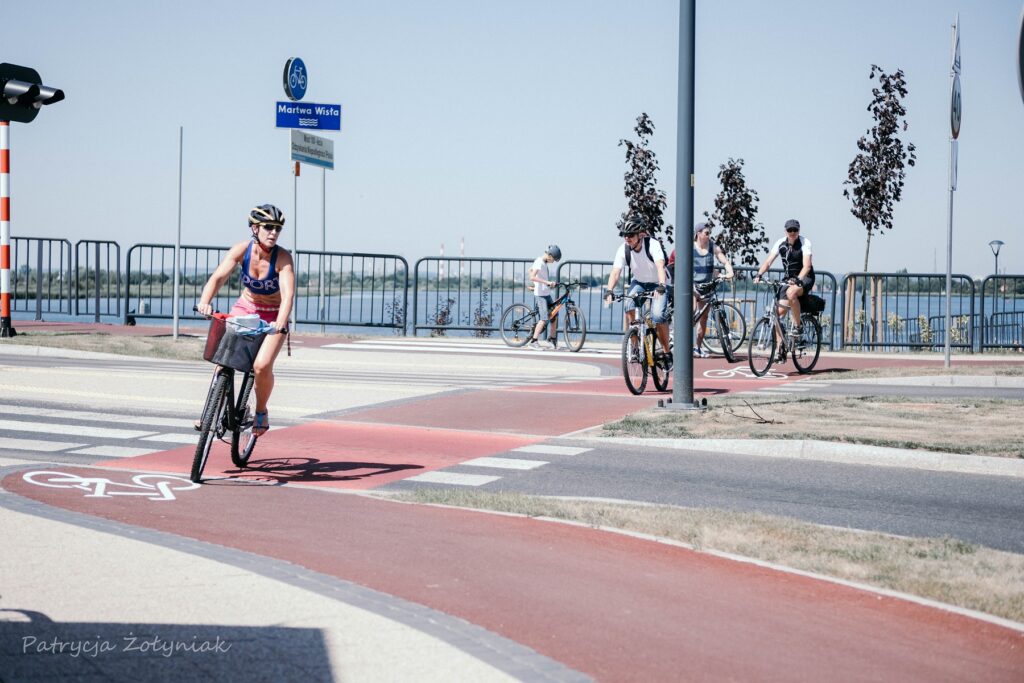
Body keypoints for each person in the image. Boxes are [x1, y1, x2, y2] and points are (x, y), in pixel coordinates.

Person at [196, 204, 295, 436]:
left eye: (277, 229)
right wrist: (205, 301)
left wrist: (280, 323)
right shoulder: (242, 250)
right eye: (268, 227)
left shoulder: (283, 258)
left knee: (261, 366)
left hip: (273, 314)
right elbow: (218, 277)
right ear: (254, 228)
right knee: (223, 359)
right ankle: (210, 412)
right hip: (246, 307)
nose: (273, 232)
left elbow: (288, 295)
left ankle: (261, 411)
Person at [603, 215, 672, 361]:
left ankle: (666, 352)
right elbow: (616, 272)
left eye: (630, 235)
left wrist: (661, 285)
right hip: (639, 282)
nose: (627, 238)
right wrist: (609, 290)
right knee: (628, 304)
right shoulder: (623, 249)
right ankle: (635, 347)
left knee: (658, 316)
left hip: (658, 283)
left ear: (640, 235)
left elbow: (660, 265)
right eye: (624, 235)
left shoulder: (652, 244)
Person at [753, 218, 815, 337]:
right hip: (788, 279)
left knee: (791, 293)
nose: (792, 233)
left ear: (799, 230)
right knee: (776, 314)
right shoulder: (780, 243)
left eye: (795, 230)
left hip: (805, 277)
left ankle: (798, 326)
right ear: (785, 231)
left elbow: (807, 266)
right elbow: (768, 262)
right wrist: (759, 274)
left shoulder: (805, 242)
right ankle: (780, 349)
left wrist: (798, 279)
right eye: (789, 230)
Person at [691, 221, 734, 357]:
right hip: (693, 286)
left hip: (707, 286)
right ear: (698, 233)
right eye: (706, 233)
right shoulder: (690, 248)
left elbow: (724, 261)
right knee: (691, 314)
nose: (709, 235)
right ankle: (681, 343)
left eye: (710, 233)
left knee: (703, 319)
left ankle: (697, 347)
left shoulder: (713, 247)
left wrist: (730, 272)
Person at [524, 245, 562, 350]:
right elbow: (532, 276)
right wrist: (547, 282)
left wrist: (537, 285)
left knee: (554, 316)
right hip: (541, 295)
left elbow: (530, 270)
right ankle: (534, 341)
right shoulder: (539, 262)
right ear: (549, 255)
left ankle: (552, 339)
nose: (553, 262)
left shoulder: (542, 262)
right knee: (544, 318)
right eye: (553, 259)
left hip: (546, 293)